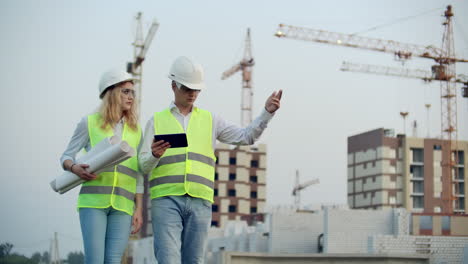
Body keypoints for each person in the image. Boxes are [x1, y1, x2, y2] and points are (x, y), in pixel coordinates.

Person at [139, 56, 282, 264]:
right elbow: (142, 166)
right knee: (168, 259)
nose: (192, 94)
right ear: (173, 85)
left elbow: (246, 137)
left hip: (200, 201)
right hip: (166, 200)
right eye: (187, 88)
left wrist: (266, 113)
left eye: (196, 89)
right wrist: (153, 155)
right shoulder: (156, 120)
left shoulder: (210, 119)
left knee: (194, 261)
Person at [60, 69, 144, 264]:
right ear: (111, 92)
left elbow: (138, 172)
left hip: (123, 205)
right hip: (93, 202)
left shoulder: (135, 130)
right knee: (95, 260)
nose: (131, 96)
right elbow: (66, 156)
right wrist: (74, 168)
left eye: (133, 92)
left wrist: (138, 208)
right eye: (125, 91)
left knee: (113, 260)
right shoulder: (89, 123)